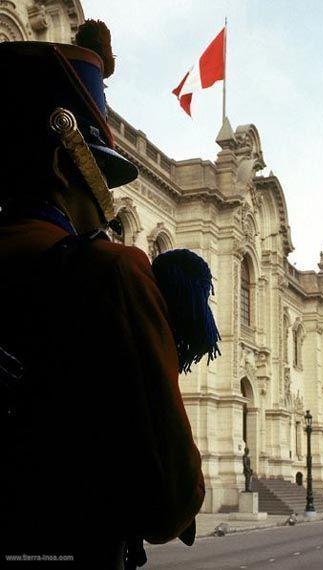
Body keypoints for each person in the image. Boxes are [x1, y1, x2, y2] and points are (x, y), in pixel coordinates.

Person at [0, 20, 204, 569]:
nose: (107, 197)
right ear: (64, 163)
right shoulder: (111, 272)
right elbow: (171, 500)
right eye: (100, 176)